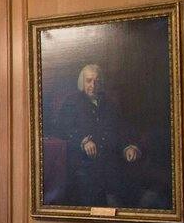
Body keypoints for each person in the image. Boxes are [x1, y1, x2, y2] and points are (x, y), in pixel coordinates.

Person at [52, 63, 143, 206]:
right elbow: (60, 129)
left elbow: (120, 130)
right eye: (89, 81)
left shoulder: (110, 104)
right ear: (82, 82)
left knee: (127, 197)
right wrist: (82, 141)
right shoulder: (71, 103)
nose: (93, 85)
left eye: (97, 81)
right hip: (83, 165)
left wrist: (128, 147)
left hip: (111, 163)